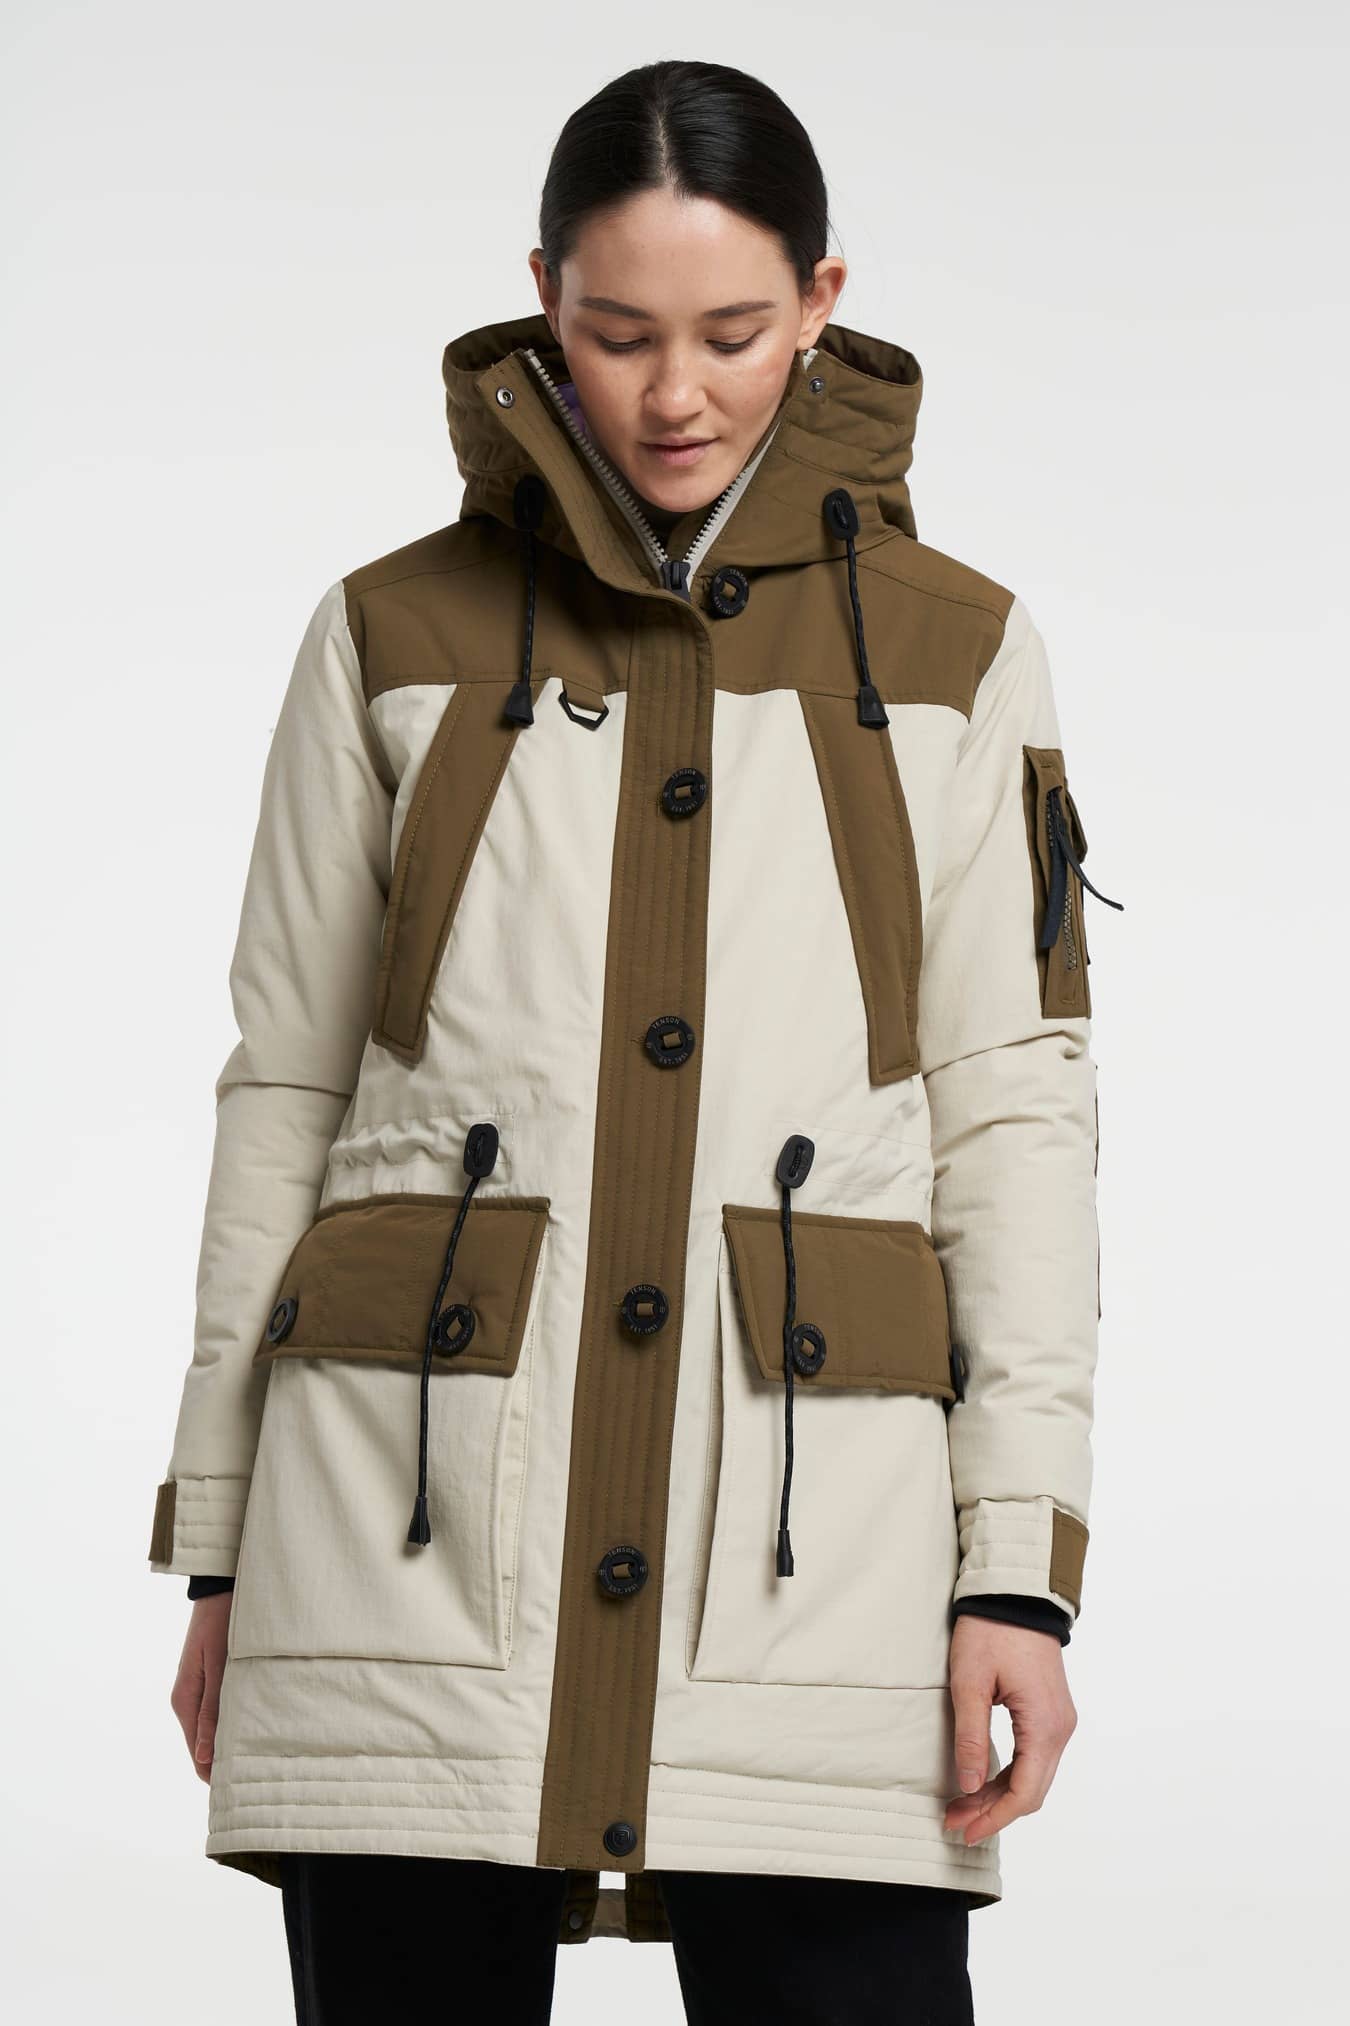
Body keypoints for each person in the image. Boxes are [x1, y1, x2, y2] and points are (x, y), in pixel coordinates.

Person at [151, 57, 1116, 2026]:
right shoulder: (387, 634)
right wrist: (225, 1543)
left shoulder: (954, 650)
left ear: (822, 299)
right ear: (541, 300)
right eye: (617, 334)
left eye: (733, 333)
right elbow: (287, 1087)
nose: (675, 393)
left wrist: (1014, 1567)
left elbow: (1014, 1112)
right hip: (402, 1528)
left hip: (814, 1558)